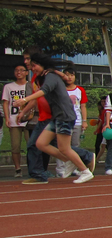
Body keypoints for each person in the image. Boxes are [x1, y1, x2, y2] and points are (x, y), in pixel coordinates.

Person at [13, 54, 95, 183]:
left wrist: (24, 99)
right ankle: (70, 161)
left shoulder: (50, 76)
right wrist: (24, 111)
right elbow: (61, 78)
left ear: (42, 65)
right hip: (57, 116)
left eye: (34, 65)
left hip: (64, 115)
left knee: (64, 148)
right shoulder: (46, 75)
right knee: (41, 143)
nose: (32, 68)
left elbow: (44, 91)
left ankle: (84, 170)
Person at [54, 67, 88, 177]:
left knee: (75, 145)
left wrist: (84, 121)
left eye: (72, 75)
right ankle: (61, 169)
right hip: (63, 120)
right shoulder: (60, 89)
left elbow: (83, 106)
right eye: (67, 75)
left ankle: (73, 167)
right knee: (62, 146)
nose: (69, 77)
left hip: (77, 121)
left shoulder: (80, 90)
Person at [2, 63, 30, 177]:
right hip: (14, 119)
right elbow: (5, 102)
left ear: (27, 72)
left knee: (31, 145)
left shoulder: (30, 86)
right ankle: (18, 169)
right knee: (15, 146)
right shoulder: (8, 87)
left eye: (22, 70)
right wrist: (7, 118)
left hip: (28, 120)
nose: (19, 72)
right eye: (16, 70)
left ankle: (32, 168)